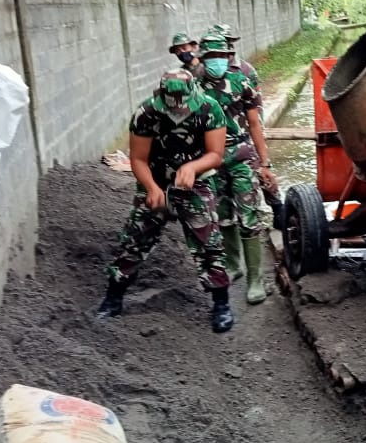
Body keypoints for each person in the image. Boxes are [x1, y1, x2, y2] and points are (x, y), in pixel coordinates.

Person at [98, 69, 235, 333]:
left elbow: (216, 154)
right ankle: (113, 298)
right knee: (134, 239)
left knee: (209, 243)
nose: (178, 111)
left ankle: (221, 303)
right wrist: (150, 187)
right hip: (156, 179)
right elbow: (137, 158)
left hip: (196, 182)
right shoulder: (147, 113)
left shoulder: (209, 109)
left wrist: (193, 168)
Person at [196, 33, 278, 304]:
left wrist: (264, 163)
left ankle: (256, 279)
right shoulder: (195, 84)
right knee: (223, 216)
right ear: (203, 58)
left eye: (221, 56)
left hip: (241, 156)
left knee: (249, 217)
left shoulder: (241, 80)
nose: (216, 61)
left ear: (227, 56)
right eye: (211, 57)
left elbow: (255, 124)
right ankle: (234, 265)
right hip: (211, 159)